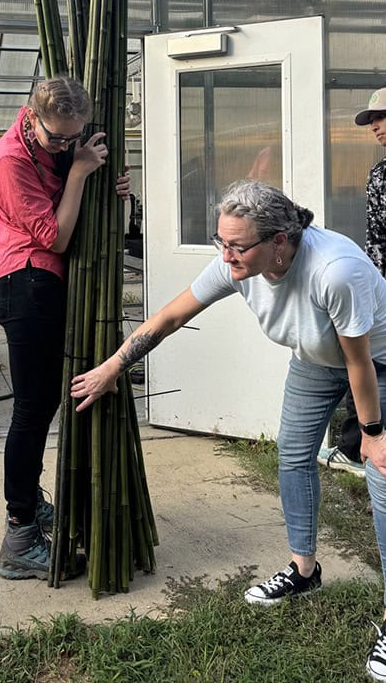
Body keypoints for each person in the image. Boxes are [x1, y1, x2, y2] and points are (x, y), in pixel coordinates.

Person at [71, 179, 386, 682]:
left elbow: (359, 362)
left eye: (237, 246)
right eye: (222, 241)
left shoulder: (335, 271)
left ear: (280, 241)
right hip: (315, 359)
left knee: (383, 480)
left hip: (376, 362)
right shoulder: (238, 263)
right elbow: (171, 316)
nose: (226, 255)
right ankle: (304, 572)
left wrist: (370, 431)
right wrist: (114, 366)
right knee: (292, 457)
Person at [0, 75, 129, 581]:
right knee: (31, 410)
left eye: (76, 138)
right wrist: (79, 176)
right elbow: (55, 235)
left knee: (43, 405)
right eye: (58, 139)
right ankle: (19, 531)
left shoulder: (56, 146)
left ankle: (30, 505)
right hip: (25, 285)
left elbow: (77, 207)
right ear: (31, 116)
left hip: (44, 286)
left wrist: (105, 187)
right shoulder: (10, 161)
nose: (67, 147)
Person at [318, 87, 386, 479]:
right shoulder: (379, 174)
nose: (374, 126)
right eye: (371, 120)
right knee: (367, 358)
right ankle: (354, 444)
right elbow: (376, 237)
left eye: (381, 117)